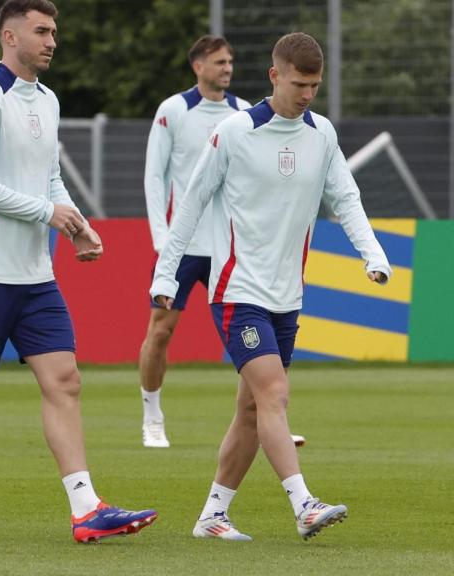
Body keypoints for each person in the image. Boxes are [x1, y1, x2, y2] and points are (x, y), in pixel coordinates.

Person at [0, 0, 157, 545]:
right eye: (41, 31)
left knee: (65, 380)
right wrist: (45, 213)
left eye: (54, 31)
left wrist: (75, 222)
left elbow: (49, 177)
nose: (52, 40)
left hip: (35, 276)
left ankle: (86, 508)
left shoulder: (47, 100)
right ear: (10, 36)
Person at [150, 32, 391, 542]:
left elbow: (346, 198)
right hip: (238, 292)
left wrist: (373, 255)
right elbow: (191, 203)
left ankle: (212, 516)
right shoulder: (235, 132)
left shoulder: (321, 134)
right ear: (274, 76)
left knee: (251, 410)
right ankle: (304, 504)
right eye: (299, 84)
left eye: (315, 86)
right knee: (274, 393)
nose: (307, 94)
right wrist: (165, 274)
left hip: (287, 297)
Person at [140, 35, 250, 448]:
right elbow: (155, 175)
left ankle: (264, 416)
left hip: (228, 247)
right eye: (220, 62)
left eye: (230, 61)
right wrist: (161, 238)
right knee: (161, 331)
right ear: (198, 66)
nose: (227, 68)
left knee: (251, 332)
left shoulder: (244, 113)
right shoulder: (173, 110)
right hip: (182, 246)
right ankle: (152, 417)